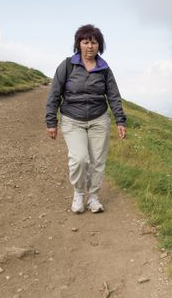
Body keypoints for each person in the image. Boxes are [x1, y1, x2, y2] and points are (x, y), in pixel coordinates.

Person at [45, 24, 127, 214]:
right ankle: (79, 193)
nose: (90, 46)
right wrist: (51, 122)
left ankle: (94, 197)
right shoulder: (67, 65)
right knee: (80, 159)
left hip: (99, 119)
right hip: (72, 119)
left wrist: (120, 121)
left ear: (99, 45)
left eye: (94, 42)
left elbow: (113, 95)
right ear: (78, 44)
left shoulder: (104, 68)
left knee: (98, 160)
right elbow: (54, 94)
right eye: (85, 42)